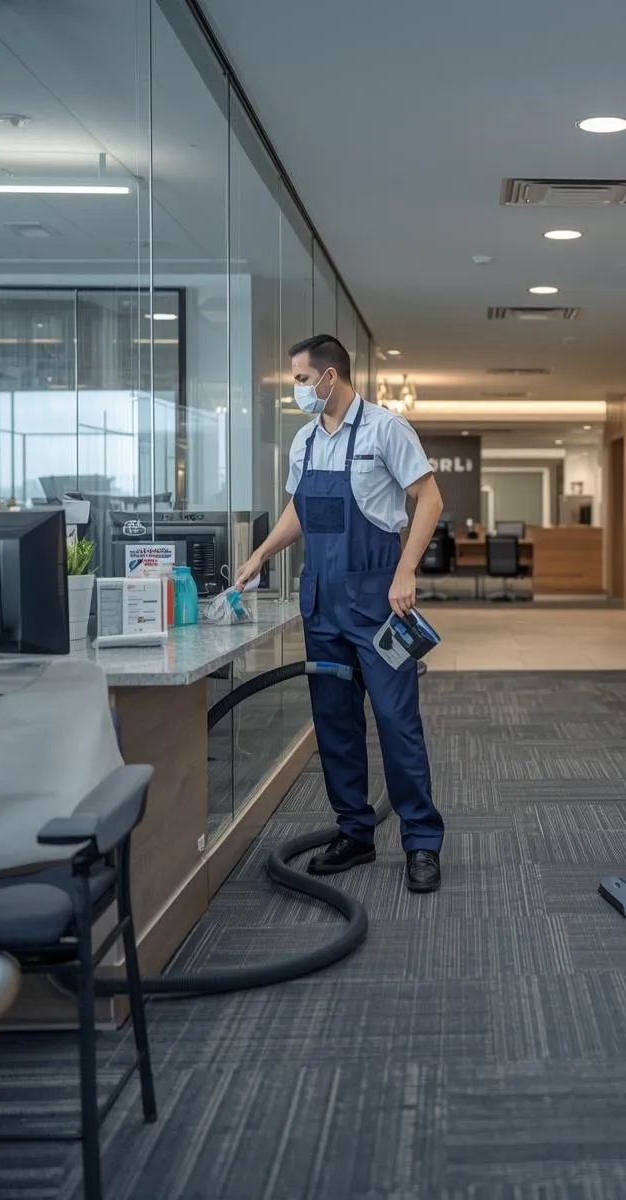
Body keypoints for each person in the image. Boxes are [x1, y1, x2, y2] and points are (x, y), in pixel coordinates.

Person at [235, 335, 446, 893]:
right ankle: (354, 832)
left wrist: (406, 571)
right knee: (334, 722)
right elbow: (299, 512)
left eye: (302, 380)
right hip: (322, 601)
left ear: (331, 377)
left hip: (378, 599)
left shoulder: (385, 429)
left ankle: (422, 842)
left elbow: (430, 500)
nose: (297, 390)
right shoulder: (304, 441)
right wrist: (260, 553)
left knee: (397, 721)